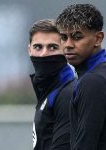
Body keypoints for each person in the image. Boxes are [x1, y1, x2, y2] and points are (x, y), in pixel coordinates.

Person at [56, 4, 106, 150]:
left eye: (77, 37)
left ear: (98, 38)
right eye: (63, 37)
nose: (68, 45)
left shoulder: (93, 81)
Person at [28, 19, 77, 150]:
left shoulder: (68, 94)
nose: (44, 54)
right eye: (38, 47)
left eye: (52, 47)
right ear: (29, 50)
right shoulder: (48, 92)